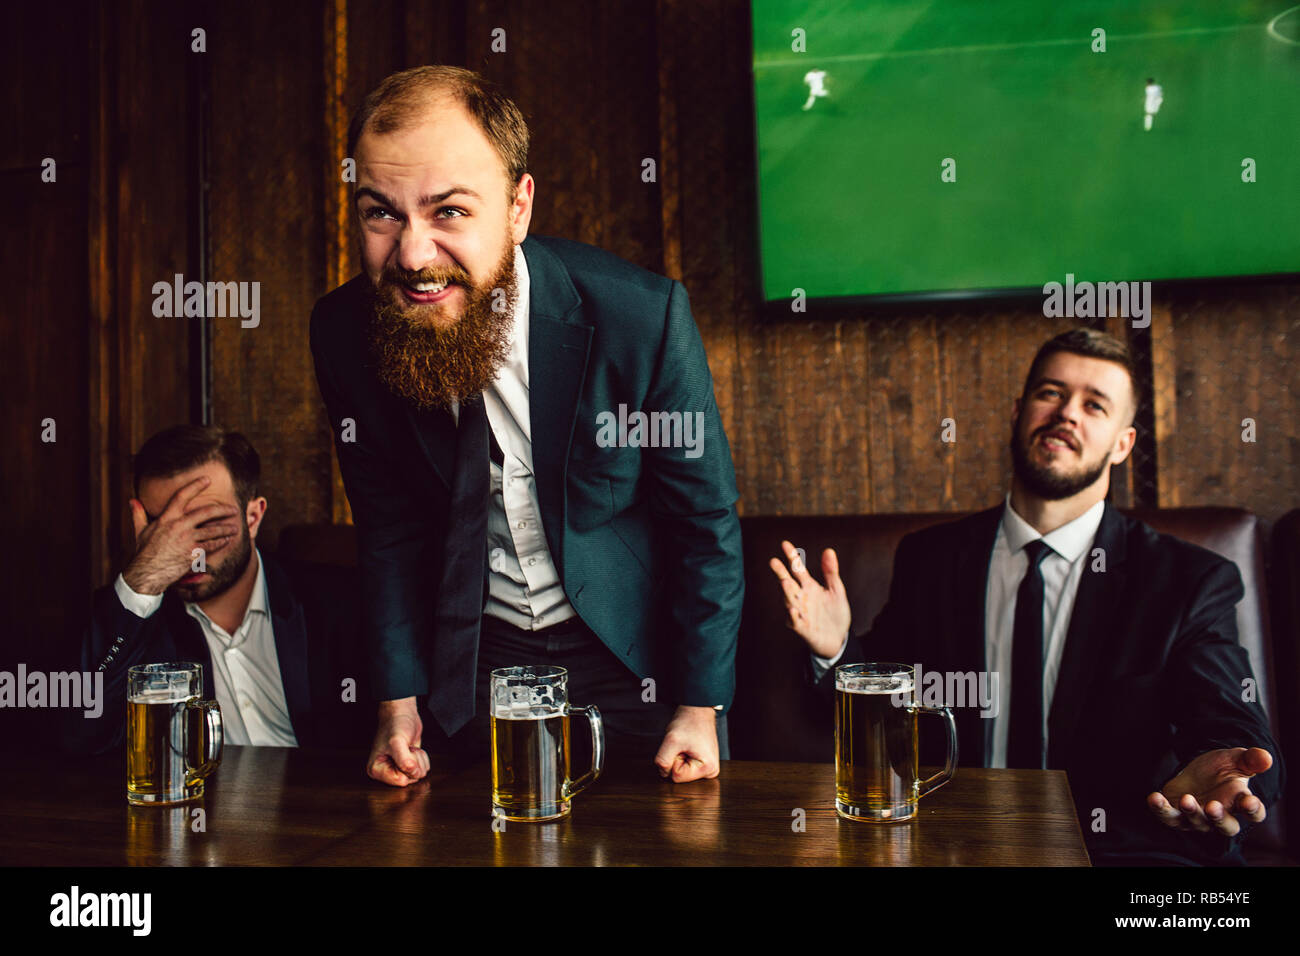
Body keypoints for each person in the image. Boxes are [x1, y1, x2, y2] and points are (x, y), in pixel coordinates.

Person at [310, 66, 743, 788]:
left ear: (518, 208)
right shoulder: (343, 331)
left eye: (448, 211)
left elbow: (703, 523)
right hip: (467, 666)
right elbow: (386, 529)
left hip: (636, 667)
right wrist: (396, 696)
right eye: (380, 212)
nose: (413, 256)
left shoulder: (643, 319)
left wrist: (701, 703)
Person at [770, 329, 1283, 865]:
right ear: (1019, 412)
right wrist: (834, 649)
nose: (1067, 413)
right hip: (956, 849)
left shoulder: (1187, 580)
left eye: (1094, 405)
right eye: (1051, 394)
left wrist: (1225, 770)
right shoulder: (932, 559)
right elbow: (885, 709)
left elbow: (1229, 716)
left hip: (1117, 857)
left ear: (1122, 444)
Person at [72, 426, 369, 753]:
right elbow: (81, 736)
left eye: (206, 524)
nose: (188, 552)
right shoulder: (128, 618)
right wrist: (144, 579)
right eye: (164, 529)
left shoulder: (339, 604)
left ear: (253, 517)